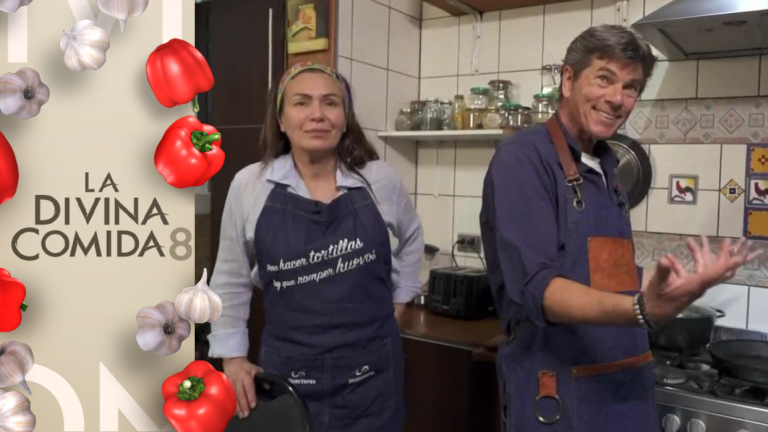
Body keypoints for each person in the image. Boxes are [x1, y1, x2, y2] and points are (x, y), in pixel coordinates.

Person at [479, 25, 761, 432]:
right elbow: (540, 289)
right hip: (558, 393)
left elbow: (604, 273)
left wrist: (675, 286)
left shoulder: (609, 166)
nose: (617, 99)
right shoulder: (522, 160)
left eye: (631, 87)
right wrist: (641, 309)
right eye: (605, 78)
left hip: (625, 386)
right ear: (568, 78)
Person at [207, 61, 424, 432]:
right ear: (280, 118)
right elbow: (230, 276)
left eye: (331, 103)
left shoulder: (380, 180)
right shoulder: (250, 185)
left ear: (344, 117)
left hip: (371, 377)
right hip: (288, 374)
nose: (317, 115)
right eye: (302, 102)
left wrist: (401, 300)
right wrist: (232, 357)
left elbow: (412, 238)